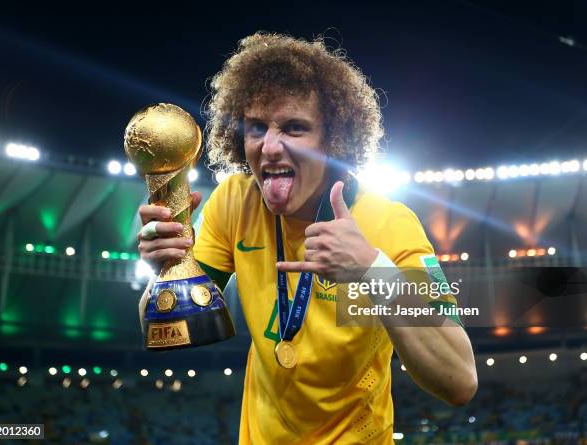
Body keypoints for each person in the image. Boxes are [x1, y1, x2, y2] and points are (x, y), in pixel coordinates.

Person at [137, 32, 477, 444]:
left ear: (334, 141)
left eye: (295, 128)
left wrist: (372, 270)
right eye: (257, 128)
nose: (271, 147)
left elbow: (460, 380)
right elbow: (166, 328)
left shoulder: (389, 224)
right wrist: (168, 272)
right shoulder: (235, 202)